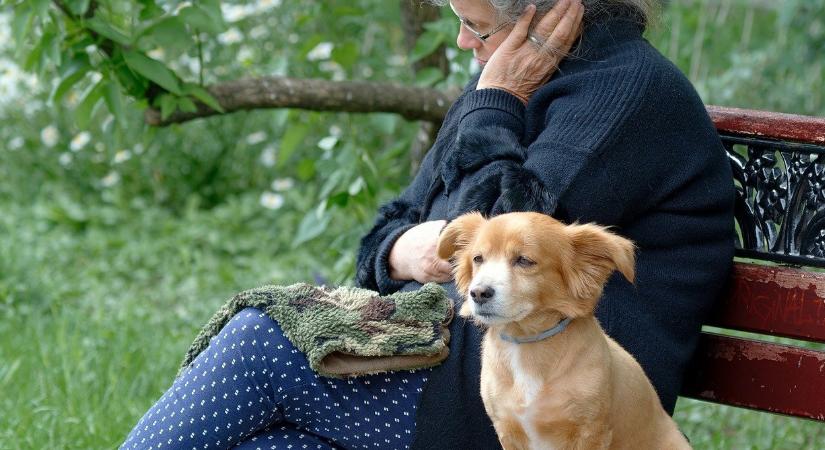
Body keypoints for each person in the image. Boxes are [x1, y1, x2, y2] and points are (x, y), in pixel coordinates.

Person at [122, 0, 734, 448]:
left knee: (263, 343)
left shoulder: (621, 93)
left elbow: (498, 234)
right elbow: (393, 227)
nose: (466, 43)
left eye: (477, 25)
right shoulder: (514, 78)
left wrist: (497, 98)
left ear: (544, 19)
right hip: (475, 367)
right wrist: (400, 252)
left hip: (551, 401)